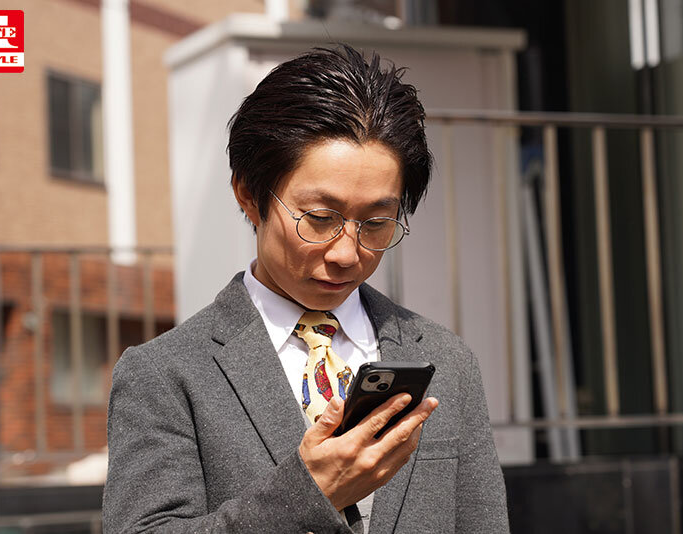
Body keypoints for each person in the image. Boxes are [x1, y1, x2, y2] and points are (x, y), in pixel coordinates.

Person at [102, 45, 508, 533]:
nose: (347, 253)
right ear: (248, 195)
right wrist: (306, 495)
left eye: (377, 222)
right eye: (319, 218)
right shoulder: (165, 375)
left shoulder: (447, 360)